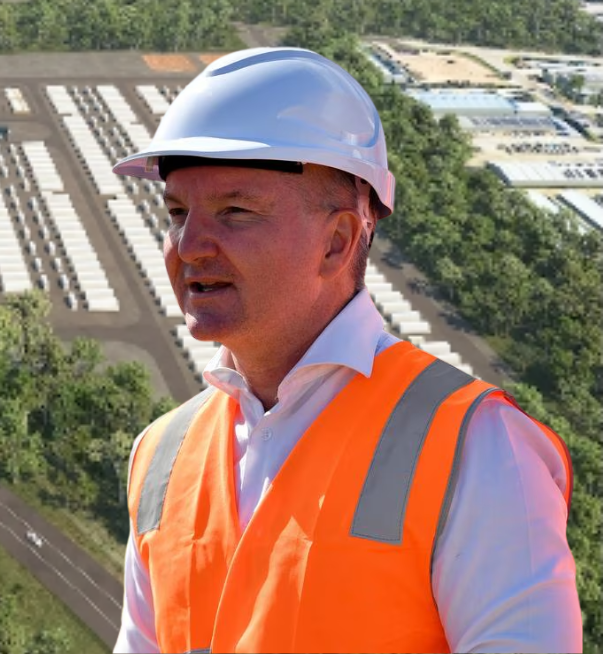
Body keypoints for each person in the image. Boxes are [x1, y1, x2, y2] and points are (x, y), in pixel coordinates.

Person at [111, 48, 581, 653]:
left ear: (338, 242)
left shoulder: (479, 449)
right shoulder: (160, 457)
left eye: (235, 212)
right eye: (178, 212)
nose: (190, 245)